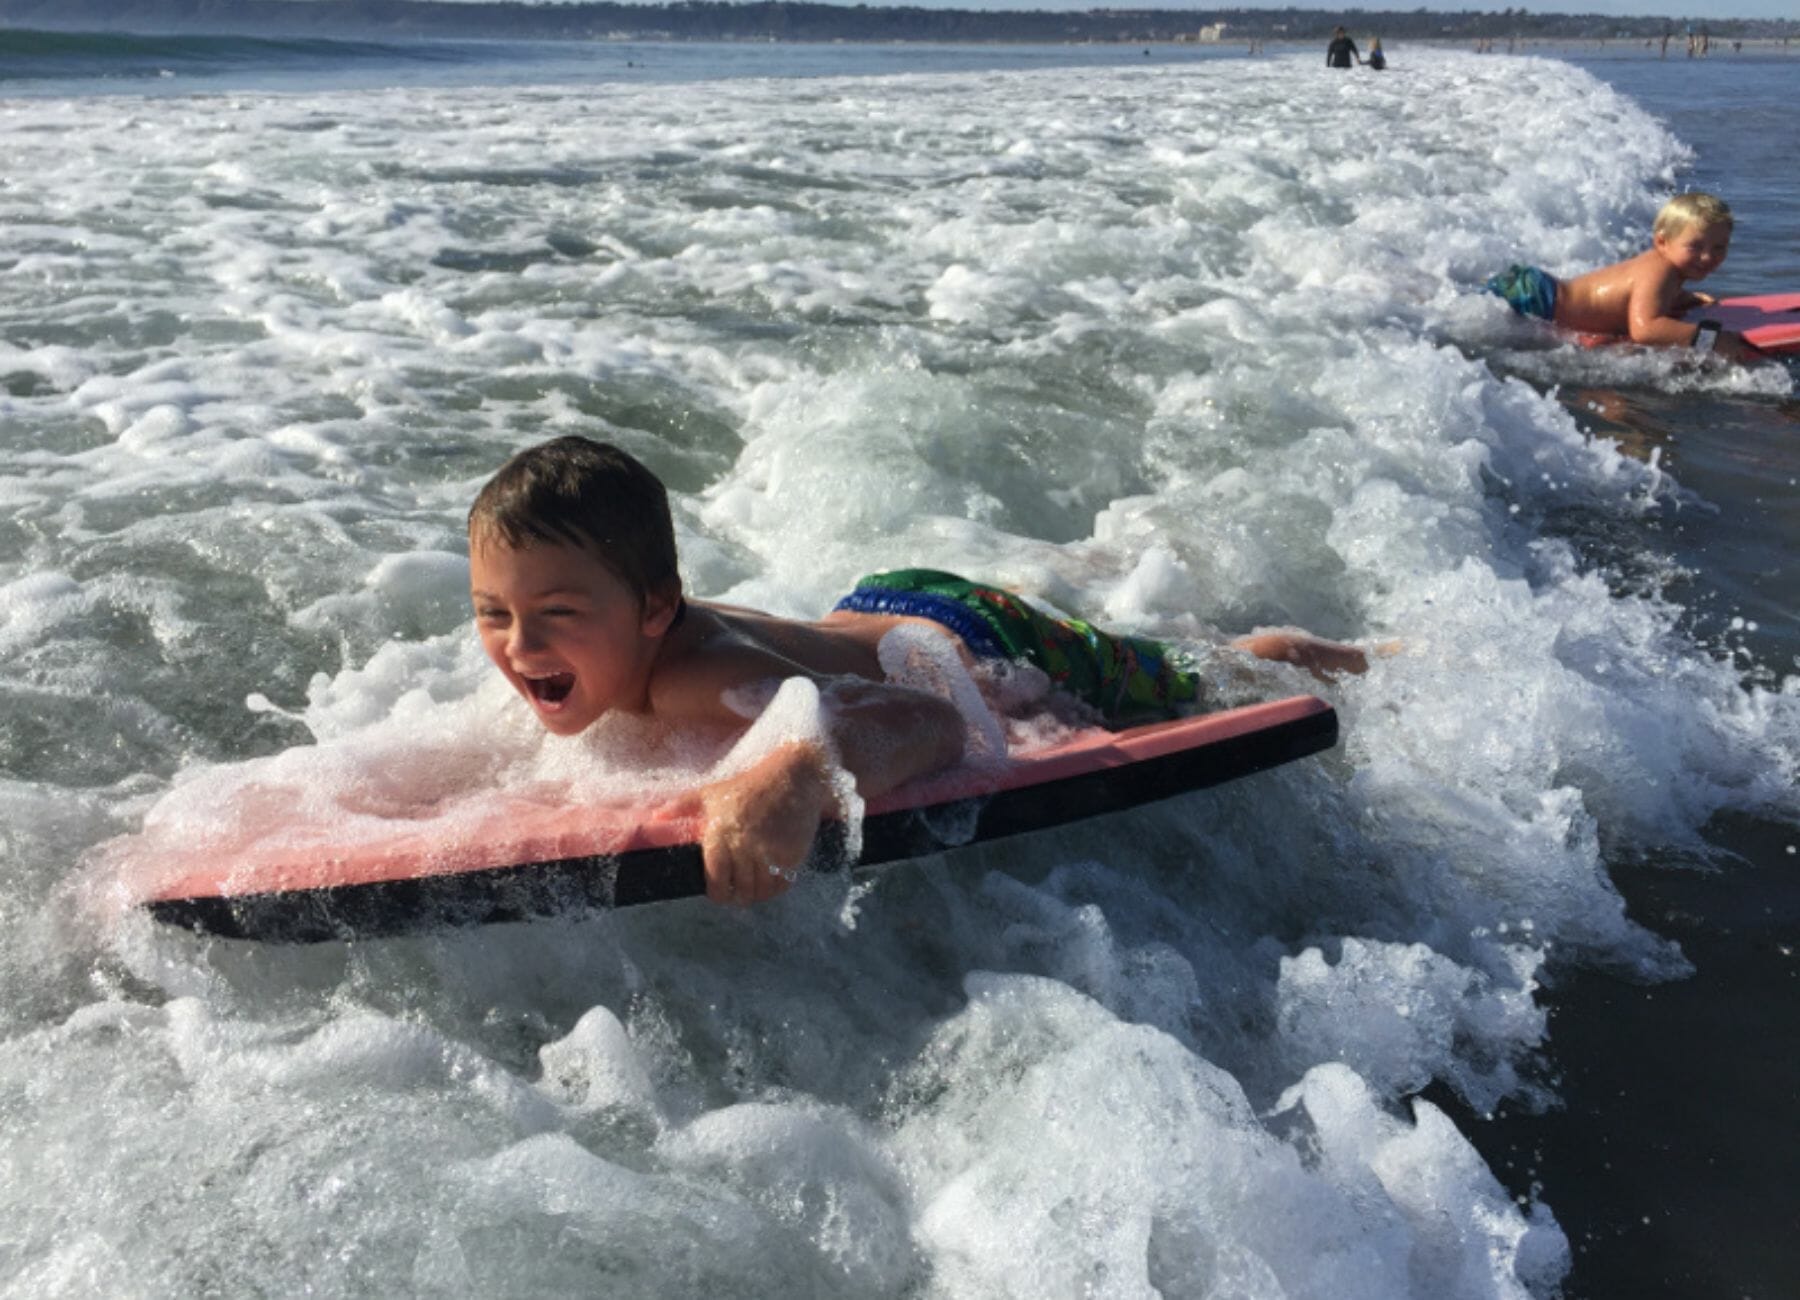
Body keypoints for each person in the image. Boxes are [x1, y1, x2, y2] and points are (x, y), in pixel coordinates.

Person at [468, 436, 1373, 906]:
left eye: (556, 616)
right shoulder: (625, 650)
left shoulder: (693, 677)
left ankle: (1289, 647)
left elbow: (925, 721)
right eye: (492, 614)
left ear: (654, 610)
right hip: (873, 610)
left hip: (961, 637)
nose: (519, 646)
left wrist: (793, 776)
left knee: (1177, 682)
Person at [1484, 192, 1762, 362]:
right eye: (1695, 247)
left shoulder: (1664, 269)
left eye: (1719, 248)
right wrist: (1712, 340)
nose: (1707, 257)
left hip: (1539, 290)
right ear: (1662, 242)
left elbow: (1639, 300)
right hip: (1536, 301)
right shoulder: (1660, 271)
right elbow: (1646, 329)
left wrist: (1682, 299)